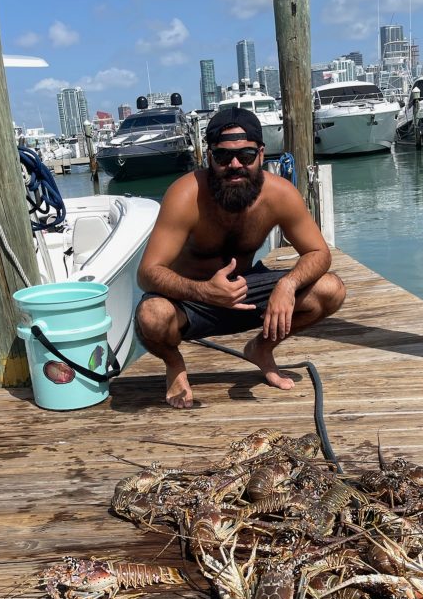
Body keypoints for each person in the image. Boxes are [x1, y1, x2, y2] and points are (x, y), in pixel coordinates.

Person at [135, 106, 346, 408]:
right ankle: (175, 365)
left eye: (245, 156)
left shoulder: (280, 195)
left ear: (261, 154)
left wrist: (287, 285)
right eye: (223, 157)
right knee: (152, 316)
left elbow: (318, 252)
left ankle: (261, 349)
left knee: (330, 290)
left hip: (244, 291)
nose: (235, 165)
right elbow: (147, 273)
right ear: (210, 158)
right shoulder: (185, 195)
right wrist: (203, 290)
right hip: (191, 301)